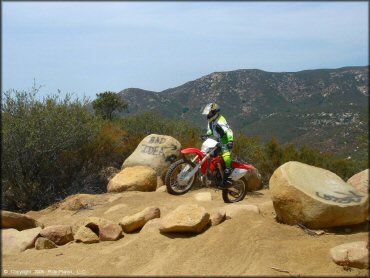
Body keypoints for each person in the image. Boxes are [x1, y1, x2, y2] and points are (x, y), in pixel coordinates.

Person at [201, 103, 234, 188]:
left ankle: (227, 179)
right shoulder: (211, 121)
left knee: (226, 157)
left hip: (225, 142)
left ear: (215, 112)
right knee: (210, 156)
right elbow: (211, 131)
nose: (208, 115)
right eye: (208, 113)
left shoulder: (220, 120)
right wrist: (206, 135)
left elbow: (228, 130)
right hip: (217, 142)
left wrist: (230, 141)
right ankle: (213, 175)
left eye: (210, 113)